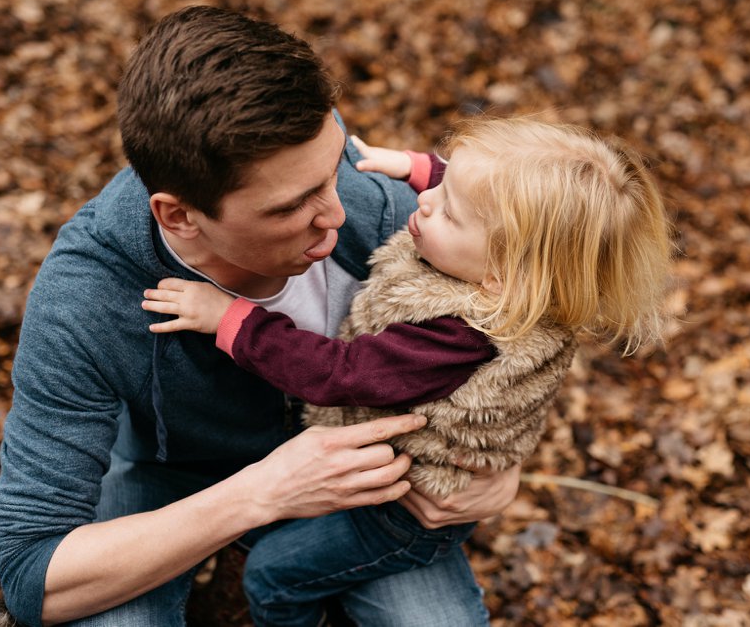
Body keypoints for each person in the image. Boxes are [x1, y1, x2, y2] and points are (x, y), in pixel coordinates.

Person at [0, 5, 518, 627]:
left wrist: (500, 466)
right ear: (179, 216)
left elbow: (522, 298)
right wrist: (263, 494)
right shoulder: (85, 300)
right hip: (174, 475)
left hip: (365, 463)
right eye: (293, 207)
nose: (338, 215)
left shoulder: (363, 195)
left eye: (332, 174)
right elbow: (32, 575)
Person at [142, 118, 675, 626]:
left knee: (273, 573)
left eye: (449, 214)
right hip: (372, 468)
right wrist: (418, 166)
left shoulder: (456, 336)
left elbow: (341, 372)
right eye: (438, 190)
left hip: (402, 508)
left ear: (501, 277)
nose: (423, 202)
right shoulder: (508, 267)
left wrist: (231, 319)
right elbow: (479, 191)